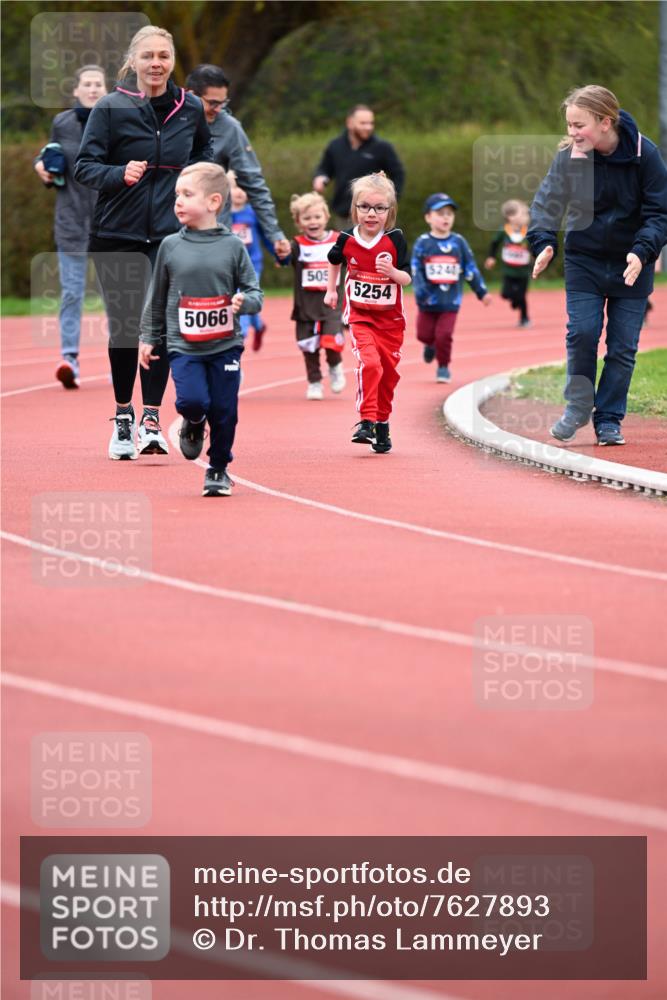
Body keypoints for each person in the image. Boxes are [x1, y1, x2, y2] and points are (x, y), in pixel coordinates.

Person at [75, 25, 212, 460]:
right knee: (124, 328)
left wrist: (194, 183)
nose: (156, 63)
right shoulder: (110, 108)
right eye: (148, 56)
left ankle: (151, 418)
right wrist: (119, 174)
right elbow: (84, 166)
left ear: (172, 61)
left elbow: (203, 156)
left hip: (170, 237)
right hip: (116, 234)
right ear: (132, 61)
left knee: (162, 327)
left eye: (163, 56)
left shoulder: (190, 107)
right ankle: (123, 416)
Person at [529, 85, 667, 447]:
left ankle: (608, 419)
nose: (572, 132)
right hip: (584, 260)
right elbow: (546, 203)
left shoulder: (645, 155)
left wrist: (642, 251)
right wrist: (544, 242)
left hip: (632, 264)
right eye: (569, 125)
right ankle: (578, 406)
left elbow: (659, 213)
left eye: (579, 125)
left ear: (605, 122)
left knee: (622, 348)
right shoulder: (569, 157)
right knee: (583, 333)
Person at [139, 163, 262, 497]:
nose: (177, 201)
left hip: (225, 345)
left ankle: (218, 468)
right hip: (184, 346)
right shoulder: (170, 246)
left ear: (213, 202)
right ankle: (193, 423)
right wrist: (148, 337)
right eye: (176, 194)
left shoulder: (233, 246)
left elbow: (255, 292)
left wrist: (244, 302)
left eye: (187, 194)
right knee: (192, 400)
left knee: (224, 411)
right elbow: (156, 297)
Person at [325, 172, 411, 453]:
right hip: (360, 316)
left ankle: (382, 423)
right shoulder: (347, 238)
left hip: (391, 322)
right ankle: (366, 420)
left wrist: (393, 272)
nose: (371, 214)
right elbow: (334, 260)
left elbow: (407, 278)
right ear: (355, 209)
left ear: (390, 211)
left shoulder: (395, 239)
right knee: (370, 364)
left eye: (379, 208)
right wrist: (331, 290)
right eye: (364, 207)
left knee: (388, 375)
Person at [34, 65, 107, 389]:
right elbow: (51, 155)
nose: (92, 89)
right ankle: (70, 360)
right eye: (87, 84)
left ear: (106, 91)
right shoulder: (61, 123)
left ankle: (124, 357)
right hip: (71, 221)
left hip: (108, 222)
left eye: (98, 84)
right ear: (76, 90)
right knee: (72, 293)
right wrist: (41, 167)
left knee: (115, 296)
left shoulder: (116, 121)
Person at [185, 64, 291, 261]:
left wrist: (274, 234)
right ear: (190, 95)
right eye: (212, 103)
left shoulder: (230, 129)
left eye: (223, 103)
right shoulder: (168, 121)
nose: (218, 109)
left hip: (213, 232)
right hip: (169, 230)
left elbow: (254, 183)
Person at [411, 193, 491, 383]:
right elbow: (416, 268)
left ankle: (443, 366)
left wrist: (481, 292)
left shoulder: (459, 242)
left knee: (444, 335)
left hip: (450, 301)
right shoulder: (423, 242)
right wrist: (421, 292)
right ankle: (430, 345)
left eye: (449, 213)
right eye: (440, 213)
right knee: (423, 335)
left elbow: (470, 268)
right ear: (428, 217)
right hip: (427, 301)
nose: (445, 217)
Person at [288, 192, 345, 400]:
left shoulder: (339, 240)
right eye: (307, 218)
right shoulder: (297, 245)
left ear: (326, 217)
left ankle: (335, 366)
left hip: (332, 305)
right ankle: (314, 382)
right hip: (305, 306)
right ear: (298, 222)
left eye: (317, 217)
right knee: (309, 347)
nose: (313, 222)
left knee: (331, 342)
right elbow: (283, 258)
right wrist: (281, 250)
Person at [313, 106, 405, 223]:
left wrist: (390, 201)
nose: (368, 127)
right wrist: (320, 177)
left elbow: (398, 174)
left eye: (371, 123)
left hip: (372, 216)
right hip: (344, 215)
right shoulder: (335, 145)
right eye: (363, 123)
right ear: (349, 123)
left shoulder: (382, 147)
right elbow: (325, 168)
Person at [228, 172, 273, 349]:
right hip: (230, 267)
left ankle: (242, 333)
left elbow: (267, 236)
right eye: (235, 188)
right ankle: (259, 326)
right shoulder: (221, 215)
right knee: (247, 300)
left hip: (253, 264)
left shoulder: (252, 214)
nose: (240, 192)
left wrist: (278, 255)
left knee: (245, 295)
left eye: (244, 189)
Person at [484, 199, 533, 328]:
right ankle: (515, 301)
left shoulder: (528, 232)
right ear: (511, 217)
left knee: (521, 296)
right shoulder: (504, 231)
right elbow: (494, 243)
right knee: (505, 294)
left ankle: (524, 318)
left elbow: (534, 247)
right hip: (509, 271)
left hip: (523, 272)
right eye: (523, 214)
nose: (527, 217)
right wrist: (491, 257)